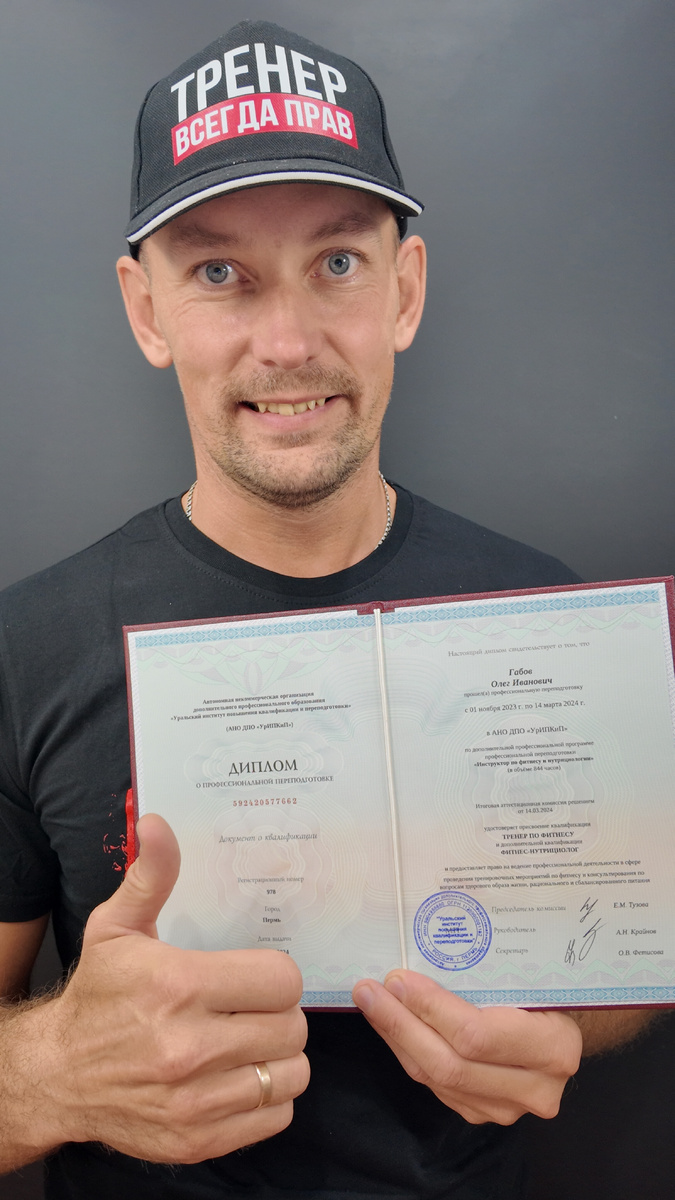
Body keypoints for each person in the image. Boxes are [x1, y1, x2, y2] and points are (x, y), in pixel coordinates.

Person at [0, 20, 653, 1200]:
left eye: (339, 263)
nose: (290, 342)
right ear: (146, 312)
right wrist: (47, 1077)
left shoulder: (546, 626)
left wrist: (567, 1023)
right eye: (219, 274)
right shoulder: (23, 650)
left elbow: (625, 961)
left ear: (406, 290)